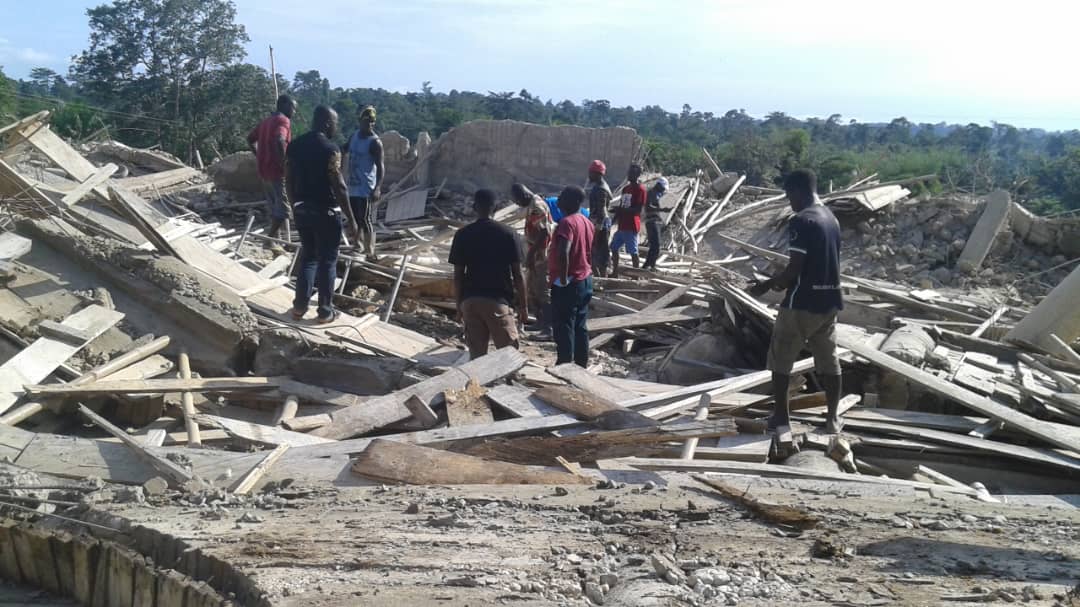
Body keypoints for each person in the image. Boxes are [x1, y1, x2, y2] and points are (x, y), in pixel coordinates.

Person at [749, 169, 844, 436]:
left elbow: (794, 269)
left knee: (781, 360)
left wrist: (767, 285)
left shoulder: (802, 220)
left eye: (789, 195)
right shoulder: (831, 218)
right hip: (830, 301)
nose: (789, 201)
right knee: (829, 361)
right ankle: (833, 418)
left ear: (799, 191)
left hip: (802, 302)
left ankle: (781, 418)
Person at [286, 106, 358, 324]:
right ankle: (325, 311)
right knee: (327, 260)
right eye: (335, 123)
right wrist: (352, 219)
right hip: (325, 212)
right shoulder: (330, 149)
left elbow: (288, 179)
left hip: (302, 210)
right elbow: (339, 186)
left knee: (308, 257)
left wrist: (294, 205)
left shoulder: (295, 146)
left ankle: (299, 307)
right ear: (327, 122)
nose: (336, 127)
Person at [449, 189, 528, 359]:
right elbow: (518, 275)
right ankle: (507, 384)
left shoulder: (462, 235)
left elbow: (458, 276)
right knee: (509, 357)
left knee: (477, 359)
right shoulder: (509, 234)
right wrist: (524, 306)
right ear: (496, 208)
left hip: (470, 302)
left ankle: (477, 385)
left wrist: (458, 307)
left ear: (474, 207)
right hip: (497, 302)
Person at [549, 185, 595, 367]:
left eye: (562, 197)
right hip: (585, 279)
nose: (558, 200)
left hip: (570, 281)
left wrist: (562, 278)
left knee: (564, 325)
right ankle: (581, 362)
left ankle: (565, 365)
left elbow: (563, 252)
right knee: (580, 324)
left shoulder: (566, 223)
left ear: (574, 201)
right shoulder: (587, 222)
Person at [247, 95, 297, 242]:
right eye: (293, 107)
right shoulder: (283, 121)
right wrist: (284, 165)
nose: (294, 111)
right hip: (277, 172)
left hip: (264, 171)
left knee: (274, 208)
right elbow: (280, 139)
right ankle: (270, 239)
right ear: (284, 105)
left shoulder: (265, 122)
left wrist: (259, 155)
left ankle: (278, 241)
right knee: (284, 209)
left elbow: (250, 139)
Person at [342, 105, 384, 261]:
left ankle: (369, 250)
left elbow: (381, 166)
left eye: (372, 121)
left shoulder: (375, 142)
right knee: (354, 217)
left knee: (365, 219)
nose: (370, 124)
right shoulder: (354, 136)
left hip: (366, 187)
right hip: (352, 186)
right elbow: (343, 149)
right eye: (367, 121)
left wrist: (378, 187)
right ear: (359, 121)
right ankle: (357, 245)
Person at [511, 183, 553, 336]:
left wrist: (530, 254)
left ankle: (548, 326)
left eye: (517, 200)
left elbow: (544, 232)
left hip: (540, 255)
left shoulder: (536, 206)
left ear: (525, 195)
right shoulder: (532, 204)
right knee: (533, 289)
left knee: (541, 290)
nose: (517, 204)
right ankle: (540, 322)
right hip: (534, 252)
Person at [610, 164, 646, 277]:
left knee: (633, 252)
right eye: (629, 172)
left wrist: (622, 210)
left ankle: (636, 276)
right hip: (622, 225)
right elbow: (622, 206)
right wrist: (614, 218)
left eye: (632, 173)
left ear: (637, 175)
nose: (629, 175)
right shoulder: (626, 189)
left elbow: (637, 210)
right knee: (613, 247)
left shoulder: (640, 190)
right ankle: (615, 272)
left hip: (631, 226)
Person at [586, 160, 612, 277]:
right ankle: (598, 276)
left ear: (597, 174)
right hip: (599, 222)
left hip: (600, 224)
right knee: (597, 251)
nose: (589, 175)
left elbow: (602, 210)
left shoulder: (601, 189)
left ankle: (601, 278)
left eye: (591, 173)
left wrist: (597, 227)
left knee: (599, 252)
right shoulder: (599, 186)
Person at [642, 177, 668, 270]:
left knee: (654, 245)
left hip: (654, 220)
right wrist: (662, 209)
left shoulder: (656, 194)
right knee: (656, 245)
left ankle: (647, 265)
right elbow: (649, 206)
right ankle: (651, 265)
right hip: (652, 221)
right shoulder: (651, 193)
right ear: (659, 185)